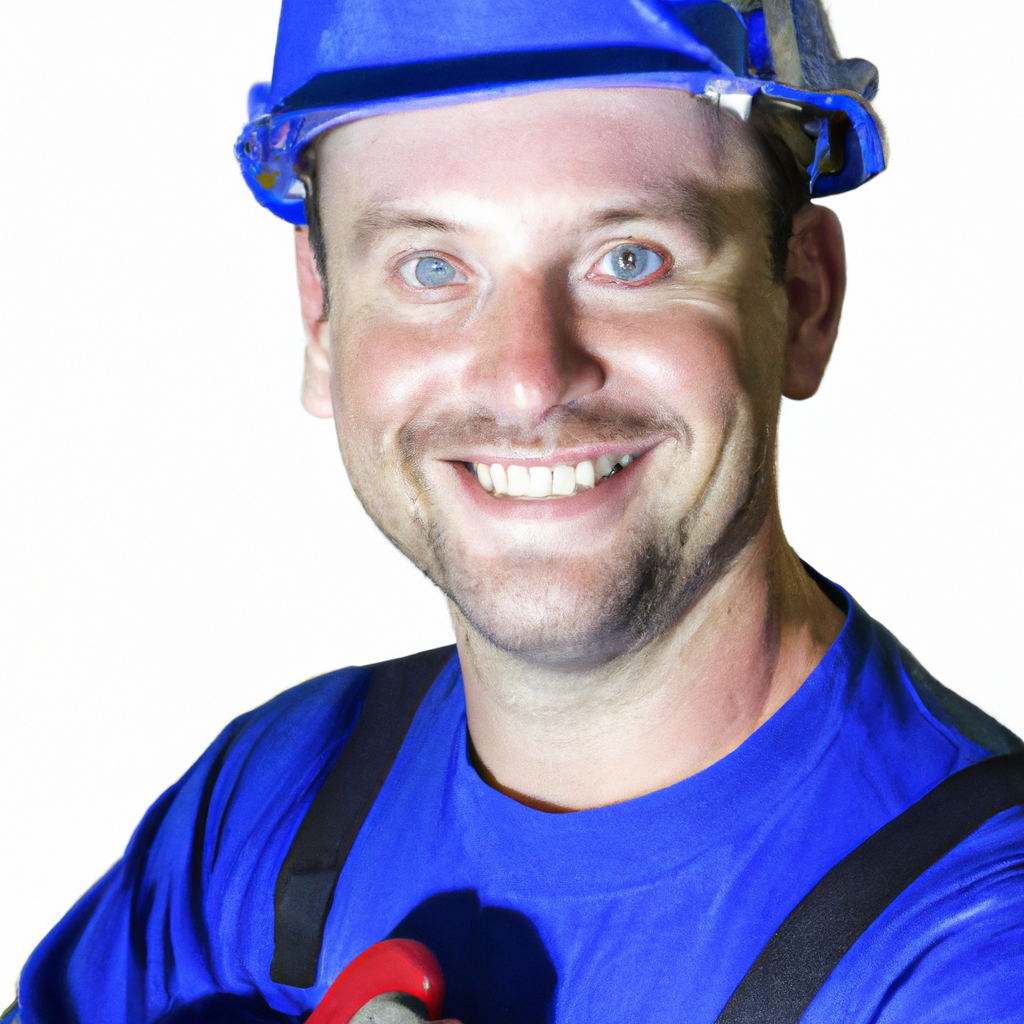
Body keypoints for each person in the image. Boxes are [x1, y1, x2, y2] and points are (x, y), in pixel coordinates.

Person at [5, 1, 1023, 1022]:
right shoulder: (265, 813)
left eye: (631, 257)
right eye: (432, 268)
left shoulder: (974, 937)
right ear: (321, 319)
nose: (530, 381)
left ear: (802, 298)